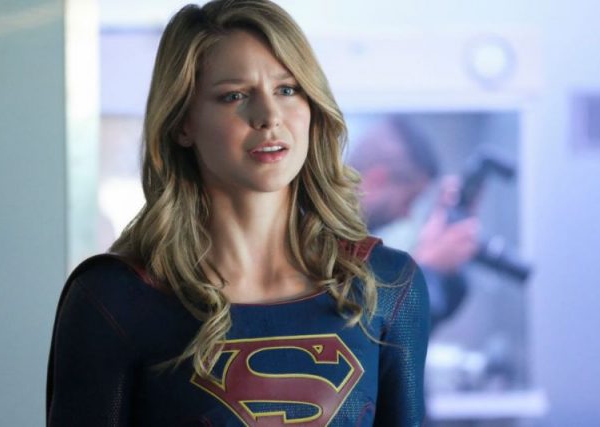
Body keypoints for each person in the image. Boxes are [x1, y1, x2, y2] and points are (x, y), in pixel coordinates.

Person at [46, 1, 430, 426]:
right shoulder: (116, 297)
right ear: (182, 123)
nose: (269, 117)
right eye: (235, 96)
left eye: (288, 90)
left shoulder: (386, 286)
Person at [349, 118, 480, 331]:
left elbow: (413, 331)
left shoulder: (356, 248)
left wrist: (446, 264)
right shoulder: (310, 238)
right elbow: (361, 335)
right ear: (376, 180)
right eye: (408, 200)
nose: (407, 214)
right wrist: (426, 268)